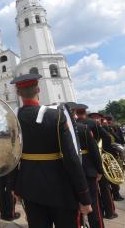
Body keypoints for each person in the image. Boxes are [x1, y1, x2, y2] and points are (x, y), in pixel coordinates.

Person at [10, 73, 92, 228]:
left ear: (18, 93)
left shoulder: (12, 119)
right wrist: (84, 196)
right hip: (61, 189)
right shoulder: (56, 116)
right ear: (38, 90)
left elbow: (11, 158)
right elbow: (71, 158)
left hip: (29, 187)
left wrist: (15, 187)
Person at [72, 104, 105, 228]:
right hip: (88, 169)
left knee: (76, 205)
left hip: (71, 173)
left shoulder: (59, 129)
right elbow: (95, 151)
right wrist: (100, 170)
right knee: (93, 204)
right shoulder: (83, 128)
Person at [87, 112, 119, 218]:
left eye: (97, 118)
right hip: (98, 162)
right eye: (94, 118)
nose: (96, 119)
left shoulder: (91, 126)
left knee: (101, 189)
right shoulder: (97, 127)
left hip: (94, 162)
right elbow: (108, 139)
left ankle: (105, 211)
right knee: (103, 188)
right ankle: (109, 212)